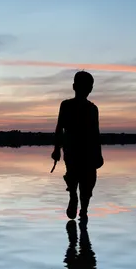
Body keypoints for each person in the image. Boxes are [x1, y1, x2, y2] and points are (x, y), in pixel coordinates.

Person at [51, 70, 104, 221]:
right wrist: (56, 149)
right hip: (72, 150)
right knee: (74, 177)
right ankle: (74, 197)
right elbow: (59, 128)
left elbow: (96, 133)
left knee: (88, 183)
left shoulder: (93, 109)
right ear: (74, 86)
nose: (87, 89)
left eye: (89, 86)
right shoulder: (66, 105)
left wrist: (99, 154)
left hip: (88, 151)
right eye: (85, 86)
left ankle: (84, 210)